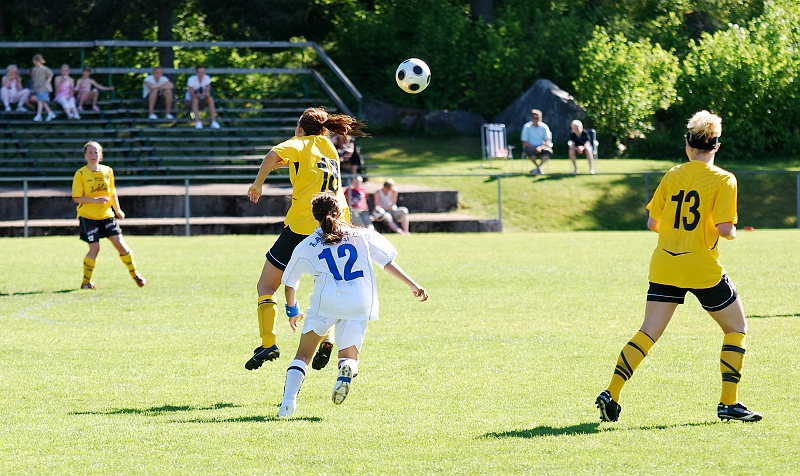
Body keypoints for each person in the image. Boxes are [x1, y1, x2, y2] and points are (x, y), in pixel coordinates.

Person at [595, 110, 762, 423]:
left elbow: (652, 222)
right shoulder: (724, 179)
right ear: (716, 145)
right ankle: (729, 403)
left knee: (647, 332)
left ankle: (612, 392)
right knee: (736, 328)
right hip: (701, 267)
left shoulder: (672, 174)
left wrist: (677, 233)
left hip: (665, 263)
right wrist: (732, 232)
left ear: (689, 145)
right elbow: (725, 229)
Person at [277, 192, 428, 417]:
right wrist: (413, 285)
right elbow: (387, 262)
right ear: (340, 212)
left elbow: (290, 283)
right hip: (358, 302)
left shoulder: (307, 244)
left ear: (314, 216)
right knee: (348, 355)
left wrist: (292, 310)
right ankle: (347, 368)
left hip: (326, 303)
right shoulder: (364, 235)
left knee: (303, 356)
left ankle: (287, 404)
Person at [244, 107, 368, 372]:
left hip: (303, 224)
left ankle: (268, 343)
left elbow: (272, 155)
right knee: (326, 284)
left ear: (300, 127)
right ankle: (328, 337)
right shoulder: (328, 147)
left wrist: (257, 184)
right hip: (336, 224)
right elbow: (297, 163)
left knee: (267, 285)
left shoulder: (298, 143)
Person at [72, 141, 146, 290]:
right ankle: (86, 282)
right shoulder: (81, 174)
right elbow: (76, 197)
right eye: (90, 152)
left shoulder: (108, 171)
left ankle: (136, 275)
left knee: (121, 245)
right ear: (85, 155)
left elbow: (112, 192)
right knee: (95, 248)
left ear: (101, 155)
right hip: (88, 217)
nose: (93, 155)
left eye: (96, 152)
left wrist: (117, 210)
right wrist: (95, 200)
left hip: (107, 216)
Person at [185, 65, 220, 129]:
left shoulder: (207, 78)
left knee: (210, 99)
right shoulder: (191, 79)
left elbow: (208, 93)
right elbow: (192, 95)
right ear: (196, 72)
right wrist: (200, 95)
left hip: (202, 101)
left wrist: (205, 95)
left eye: (202, 72)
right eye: (199, 72)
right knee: (195, 99)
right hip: (191, 102)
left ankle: (213, 121)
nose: (201, 74)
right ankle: (197, 122)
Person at [521, 109, 552, 175]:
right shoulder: (527, 127)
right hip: (530, 147)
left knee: (549, 151)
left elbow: (547, 139)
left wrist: (541, 147)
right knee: (529, 151)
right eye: (534, 118)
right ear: (531, 118)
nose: (535, 120)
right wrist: (534, 148)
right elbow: (524, 141)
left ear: (540, 118)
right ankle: (539, 168)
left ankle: (538, 168)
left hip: (542, 147)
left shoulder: (544, 127)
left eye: (537, 118)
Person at [30, 54, 56, 122]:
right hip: (38, 88)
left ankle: (39, 115)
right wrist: (34, 84)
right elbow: (35, 78)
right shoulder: (35, 69)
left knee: (40, 100)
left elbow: (50, 74)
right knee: (42, 101)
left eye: (36, 62)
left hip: (44, 87)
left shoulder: (44, 69)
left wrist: (48, 81)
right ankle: (50, 113)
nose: (35, 64)